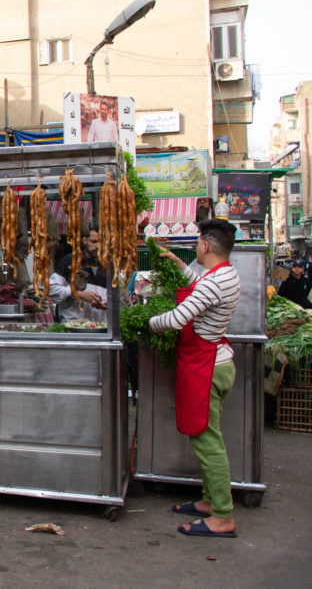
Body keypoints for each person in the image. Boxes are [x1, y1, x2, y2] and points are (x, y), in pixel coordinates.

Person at [148, 219, 241, 538]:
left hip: (207, 367)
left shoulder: (214, 283)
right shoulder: (224, 273)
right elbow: (200, 288)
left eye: (197, 241)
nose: (195, 247)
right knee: (207, 435)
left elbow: (177, 319)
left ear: (205, 245)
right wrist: (177, 262)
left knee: (207, 441)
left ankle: (223, 517)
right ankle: (210, 501)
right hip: (216, 361)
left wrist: (144, 322)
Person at [48, 221, 108, 321]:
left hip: (100, 327)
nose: (98, 246)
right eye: (94, 242)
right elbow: (51, 290)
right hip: (72, 325)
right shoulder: (70, 261)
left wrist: (106, 304)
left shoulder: (107, 265)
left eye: (101, 242)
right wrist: (78, 294)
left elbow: (117, 298)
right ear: (85, 241)